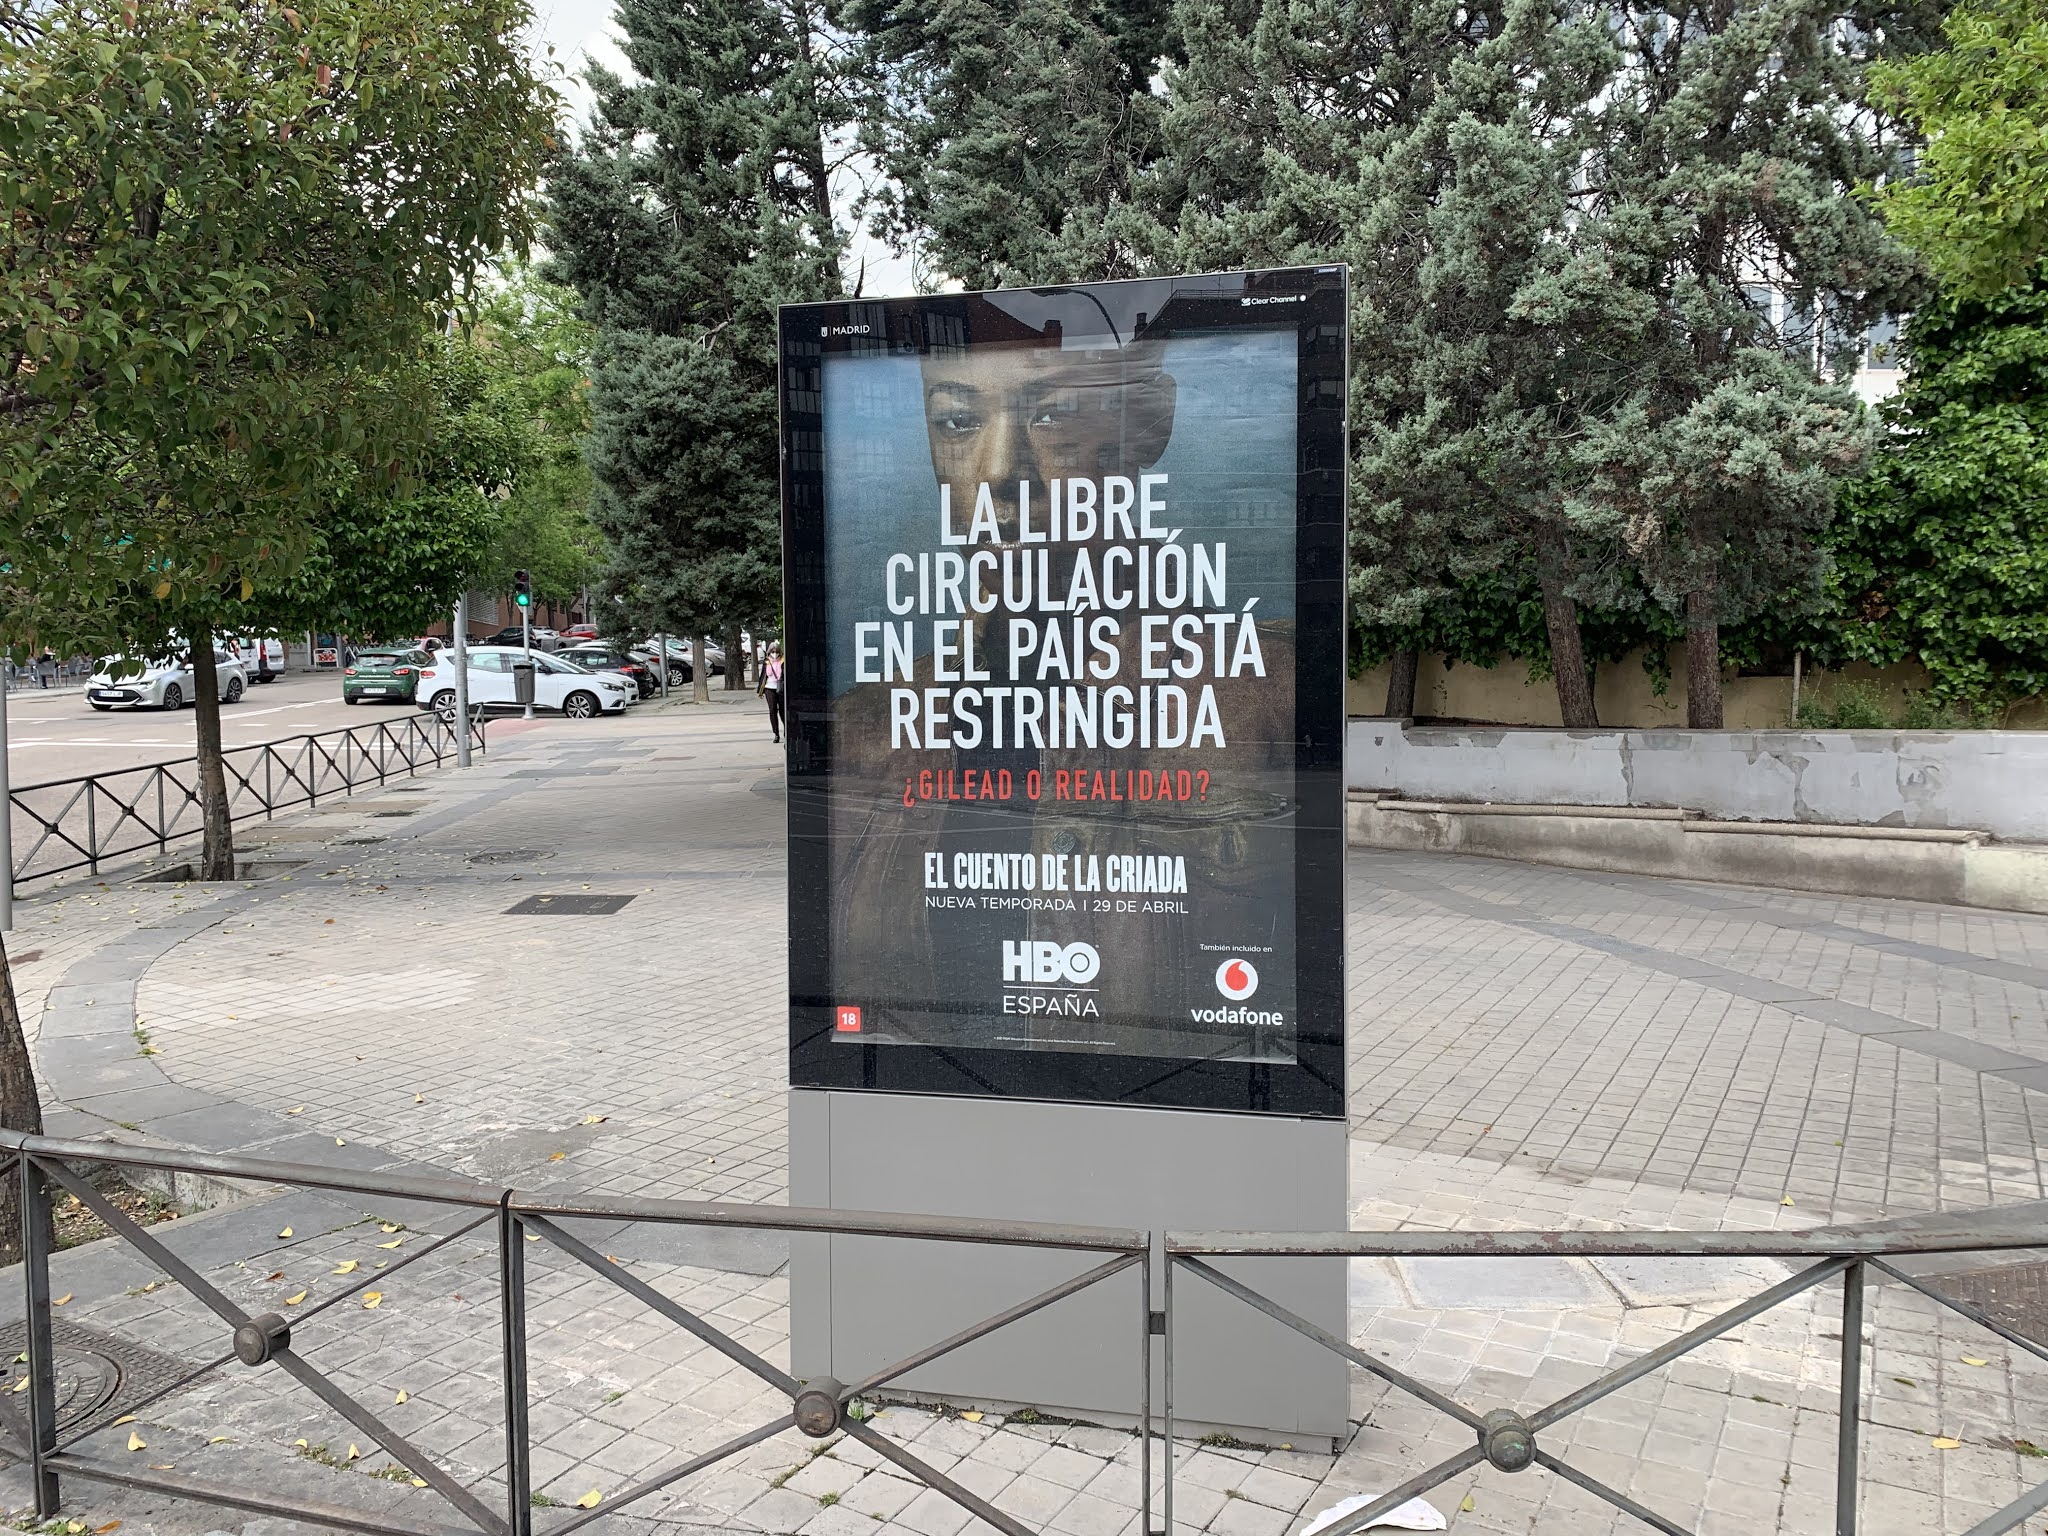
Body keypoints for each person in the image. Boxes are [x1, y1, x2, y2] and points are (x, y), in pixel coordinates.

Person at [760, 642, 785, 742]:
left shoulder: (783, 661)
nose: (775, 654)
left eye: (776, 652)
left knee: (783, 711)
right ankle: (776, 733)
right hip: (769, 688)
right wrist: (760, 690)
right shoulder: (767, 661)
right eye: (773, 652)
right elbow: (763, 675)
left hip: (781, 688)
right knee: (772, 710)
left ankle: (786, 730)